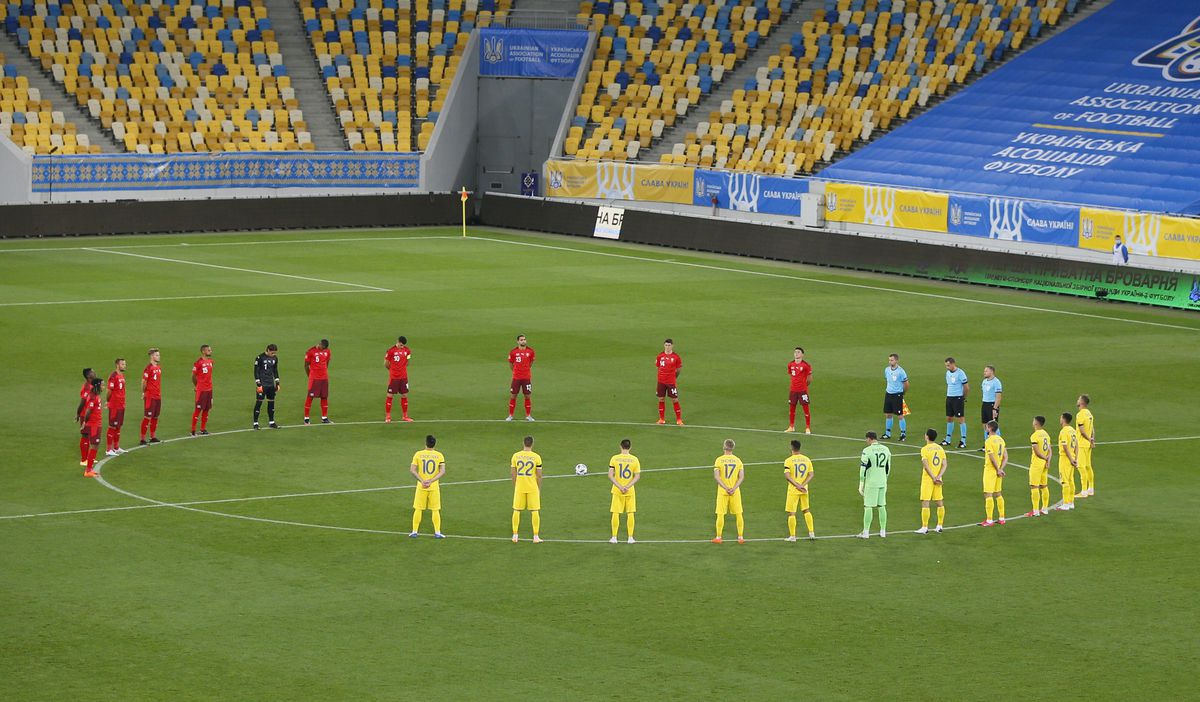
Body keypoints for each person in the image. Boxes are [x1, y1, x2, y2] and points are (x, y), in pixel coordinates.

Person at [409, 434, 446, 539]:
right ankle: (437, 532)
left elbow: (412, 469)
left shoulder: (418, 454)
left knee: (418, 509)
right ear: (434, 444)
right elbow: (442, 471)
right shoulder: (439, 455)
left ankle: (414, 531)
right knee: (435, 510)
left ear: (425, 443)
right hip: (433, 486)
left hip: (421, 486)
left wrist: (422, 480)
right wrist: (431, 481)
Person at [858, 431, 892, 538]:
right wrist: (885, 479)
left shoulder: (867, 451)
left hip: (871, 482)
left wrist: (861, 483)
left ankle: (866, 532)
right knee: (881, 506)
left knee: (868, 506)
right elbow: (888, 467)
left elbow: (863, 468)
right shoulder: (886, 449)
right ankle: (883, 531)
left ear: (869, 439)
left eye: (866, 439)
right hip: (882, 481)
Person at [608, 439, 641, 544]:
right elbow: (637, 476)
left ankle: (614, 537)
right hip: (630, 491)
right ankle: (630, 538)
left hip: (617, 491)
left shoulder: (614, 458)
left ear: (620, 446)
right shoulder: (635, 459)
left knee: (615, 513)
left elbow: (610, 475)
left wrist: (620, 487)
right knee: (630, 513)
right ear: (630, 447)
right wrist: (627, 487)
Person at [510, 435, 543, 542]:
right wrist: (538, 488)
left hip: (520, 486)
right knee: (534, 511)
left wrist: (516, 485)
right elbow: (539, 475)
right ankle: (536, 537)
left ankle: (515, 535)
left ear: (523, 443)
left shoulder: (516, 456)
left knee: (516, 510)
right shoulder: (537, 457)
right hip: (532, 487)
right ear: (532, 444)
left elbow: (513, 473)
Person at [712, 439, 745, 543]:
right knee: (739, 514)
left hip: (723, 491)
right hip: (735, 491)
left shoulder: (719, 460)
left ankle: (718, 537)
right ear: (733, 448)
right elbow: (741, 477)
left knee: (720, 514)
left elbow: (717, 477)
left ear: (724, 447)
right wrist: (734, 488)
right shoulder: (738, 460)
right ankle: (740, 537)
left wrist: (726, 488)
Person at [783, 439, 815, 541]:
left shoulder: (788, 460)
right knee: (806, 510)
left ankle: (792, 536)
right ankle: (811, 533)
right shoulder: (807, 459)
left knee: (791, 513)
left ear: (792, 448)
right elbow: (811, 474)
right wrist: (803, 485)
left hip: (793, 490)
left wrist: (797, 485)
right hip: (804, 490)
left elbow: (787, 476)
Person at [917, 429, 947, 534]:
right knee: (939, 502)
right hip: (938, 479)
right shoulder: (940, 448)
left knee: (925, 502)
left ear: (927, 436)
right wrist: (939, 476)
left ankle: (924, 527)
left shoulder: (924, 449)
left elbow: (925, 465)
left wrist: (933, 477)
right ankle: (939, 526)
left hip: (928, 479)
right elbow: (944, 464)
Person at [981, 420, 1008, 526]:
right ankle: (1002, 518)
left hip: (990, 470)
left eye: (987, 427)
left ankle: (989, 520)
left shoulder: (988, 441)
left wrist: (997, 469)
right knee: (998, 494)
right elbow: (1006, 457)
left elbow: (992, 457)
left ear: (990, 428)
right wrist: (1001, 468)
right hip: (998, 471)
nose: (986, 428)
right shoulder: (1001, 440)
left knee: (988, 494)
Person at [1026, 416, 1052, 517]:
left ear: (1036, 423)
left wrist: (1045, 459)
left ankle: (1035, 510)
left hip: (1037, 463)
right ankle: (1045, 508)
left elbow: (1037, 452)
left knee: (1034, 486)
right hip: (1044, 464)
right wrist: (1048, 461)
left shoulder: (1034, 435)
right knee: (1044, 486)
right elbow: (1050, 450)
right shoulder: (1046, 434)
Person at [506, 334, 535, 422]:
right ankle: (510, 415)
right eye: (521, 340)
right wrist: (515, 371)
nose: (523, 341)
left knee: (527, 396)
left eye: (524, 339)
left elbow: (531, 363)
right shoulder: (513, 352)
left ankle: (528, 415)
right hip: (516, 378)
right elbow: (511, 363)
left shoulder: (530, 351)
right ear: (518, 341)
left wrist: (525, 370)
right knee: (513, 396)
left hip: (526, 377)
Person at [384, 336, 413, 423]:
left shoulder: (407, 351)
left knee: (404, 395)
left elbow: (407, 361)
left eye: (403, 345)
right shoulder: (391, 351)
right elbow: (386, 363)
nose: (402, 346)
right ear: (397, 342)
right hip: (394, 377)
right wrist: (392, 370)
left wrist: (402, 368)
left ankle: (405, 416)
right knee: (390, 395)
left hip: (403, 377)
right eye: (401, 345)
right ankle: (388, 416)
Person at [655, 338, 683, 425]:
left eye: (669, 345)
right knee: (661, 399)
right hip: (661, 382)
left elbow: (678, 369)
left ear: (672, 346)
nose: (667, 347)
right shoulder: (660, 356)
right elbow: (658, 366)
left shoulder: (676, 357)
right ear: (664, 345)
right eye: (666, 345)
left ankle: (679, 420)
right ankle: (662, 419)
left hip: (671, 382)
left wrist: (674, 377)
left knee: (675, 399)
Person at [252, 344, 280, 429]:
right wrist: (258, 384)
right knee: (259, 402)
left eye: (274, 353)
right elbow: (256, 371)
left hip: (270, 384)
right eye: (272, 353)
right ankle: (255, 423)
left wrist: (277, 382)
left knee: (271, 403)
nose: (273, 354)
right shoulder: (259, 358)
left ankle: (272, 422)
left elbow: (275, 370)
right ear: (267, 350)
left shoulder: (275, 358)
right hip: (262, 384)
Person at [304, 339, 331, 425]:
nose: (322, 349)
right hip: (314, 378)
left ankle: (324, 418)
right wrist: (310, 375)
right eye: (322, 347)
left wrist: (323, 371)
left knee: (324, 396)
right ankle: (306, 419)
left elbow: (327, 363)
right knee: (310, 396)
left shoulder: (328, 351)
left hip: (324, 378)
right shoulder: (311, 351)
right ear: (320, 344)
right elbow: (306, 365)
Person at [943, 357, 969, 449]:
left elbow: (966, 387)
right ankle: (948, 439)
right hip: (949, 397)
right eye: (946, 365)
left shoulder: (960, 373)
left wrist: (963, 397)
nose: (947, 367)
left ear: (953, 364)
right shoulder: (947, 373)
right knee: (949, 418)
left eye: (948, 365)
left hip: (958, 398)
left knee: (960, 419)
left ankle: (963, 441)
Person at [80, 378, 104, 477]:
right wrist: (85, 422)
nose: (104, 387)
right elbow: (88, 411)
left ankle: (89, 469)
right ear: (97, 386)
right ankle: (88, 470)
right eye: (102, 385)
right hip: (94, 425)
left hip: (96, 424)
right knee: (94, 446)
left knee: (95, 446)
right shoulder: (94, 397)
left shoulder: (96, 396)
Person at [786, 347, 813, 434]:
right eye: (795, 352)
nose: (796, 353)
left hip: (802, 391)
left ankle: (808, 427)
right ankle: (791, 426)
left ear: (802, 354)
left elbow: (810, 379)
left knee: (806, 409)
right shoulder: (790, 364)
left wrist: (804, 385)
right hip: (793, 390)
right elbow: (791, 375)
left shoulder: (806, 365)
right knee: (792, 408)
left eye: (798, 352)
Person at [882, 353, 908, 440]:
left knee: (900, 415)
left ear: (896, 360)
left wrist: (903, 392)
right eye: (889, 360)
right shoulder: (887, 370)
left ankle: (903, 434)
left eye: (892, 360)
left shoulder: (901, 371)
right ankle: (887, 433)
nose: (890, 362)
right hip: (888, 394)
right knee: (888, 414)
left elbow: (906, 384)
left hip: (897, 395)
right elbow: (888, 380)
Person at [139, 347, 162, 445]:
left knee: (155, 416)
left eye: (159, 355)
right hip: (150, 396)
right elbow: (143, 382)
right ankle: (142, 439)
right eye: (157, 355)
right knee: (147, 417)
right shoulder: (148, 368)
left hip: (157, 396)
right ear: (152, 356)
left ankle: (152, 436)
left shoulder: (158, 367)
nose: (159, 357)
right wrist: (144, 392)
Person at [1057, 413, 1079, 511]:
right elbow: (1077, 446)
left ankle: (1065, 504)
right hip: (1073, 457)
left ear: (1064, 419)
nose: (1060, 419)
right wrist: (1076, 459)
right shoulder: (1073, 430)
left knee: (1065, 481)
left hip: (1065, 458)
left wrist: (1070, 459)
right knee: (1071, 481)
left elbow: (1065, 447)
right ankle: (1071, 502)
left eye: (1061, 417)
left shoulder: (1064, 431)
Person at [105, 359, 127, 456]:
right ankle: (108, 449)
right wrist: (108, 401)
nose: (124, 366)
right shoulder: (113, 376)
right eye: (122, 364)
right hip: (114, 405)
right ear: (117, 365)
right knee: (112, 426)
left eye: (125, 364)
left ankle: (116, 447)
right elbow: (109, 390)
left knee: (118, 426)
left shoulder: (121, 375)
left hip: (121, 405)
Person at [191, 344, 214, 436]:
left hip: (209, 389)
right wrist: (197, 386)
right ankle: (193, 431)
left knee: (207, 409)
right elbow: (193, 376)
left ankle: (203, 429)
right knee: (198, 409)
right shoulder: (198, 363)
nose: (210, 351)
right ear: (203, 351)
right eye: (209, 350)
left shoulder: (211, 362)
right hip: (201, 390)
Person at [1076, 394, 1096, 498]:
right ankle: (1091, 489)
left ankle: (1084, 491)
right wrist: (1092, 440)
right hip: (1088, 444)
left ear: (1082, 402)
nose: (1077, 401)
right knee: (1088, 466)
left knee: (1081, 466)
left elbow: (1082, 430)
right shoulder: (1089, 414)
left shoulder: (1080, 415)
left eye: (1079, 399)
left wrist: (1089, 439)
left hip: (1081, 444)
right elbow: (1092, 429)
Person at [979, 365, 1003, 450]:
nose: (984, 372)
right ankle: (987, 444)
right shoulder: (984, 381)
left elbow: (998, 396)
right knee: (985, 424)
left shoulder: (996, 382)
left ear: (991, 372)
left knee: (993, 425)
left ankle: (999, 444)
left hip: (992, 405)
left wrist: (995, 408)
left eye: (986, 371)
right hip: (985, 404)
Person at [76, 367, 97, 465]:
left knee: (89, 436)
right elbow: (82, 403)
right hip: (85, 415)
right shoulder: (87, 387)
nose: (95, 373)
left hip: (91, 415)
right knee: (85, 435)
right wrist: (78, 414)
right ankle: (84, 460)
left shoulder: (92, 385)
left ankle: (88, 458)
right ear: (89, 376)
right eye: (93, 372)